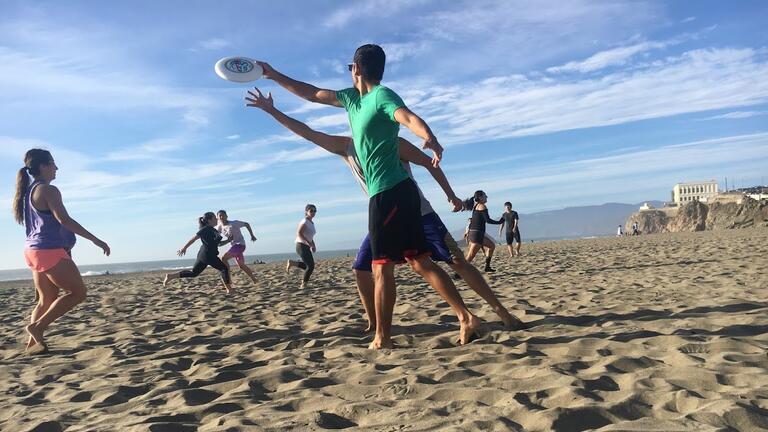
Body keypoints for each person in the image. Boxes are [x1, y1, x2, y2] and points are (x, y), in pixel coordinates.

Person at [249, 45, 482, 349]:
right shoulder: (350, 99)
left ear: (357, 68)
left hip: (389, 193)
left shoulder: (382, 97)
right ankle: (465, 317)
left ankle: (382, 337)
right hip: (398, 193)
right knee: (420, 262)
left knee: (381, 267)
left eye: (350, 67)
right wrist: (272, 76)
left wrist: (429, 137)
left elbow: (407, 117)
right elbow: (310, 94)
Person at [246, 90, 523, 331]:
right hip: (383, 217)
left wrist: (451, 196)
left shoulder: (394, 143)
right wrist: (272, 110)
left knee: (455, 262)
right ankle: (375, 324)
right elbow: (307, 132)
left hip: (419, 213)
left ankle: (502, 313)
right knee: (362, 268)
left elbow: (430, 164)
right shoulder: (345, 147)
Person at [13, 149, 111, 354]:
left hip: (32, 250)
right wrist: (96, 240)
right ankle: (37, 328)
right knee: (78, 292)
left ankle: (33, 344)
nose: (56, 168)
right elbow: (64, 220)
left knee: (45, 300)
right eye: (52, 164)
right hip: (48, 250)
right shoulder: (49, 190)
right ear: (42, 166)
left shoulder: (29, 191)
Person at [163, 212, 232, 293]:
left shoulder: (213, 230)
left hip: (204, 255)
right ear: (209, 220)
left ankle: (171, 276)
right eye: (214, 218)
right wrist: (184, 248)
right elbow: (194, 238)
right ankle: (229, 289)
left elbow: (219, 244)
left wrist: (228, 240)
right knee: (224, 269)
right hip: (208, 255)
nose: (217, 219)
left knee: (194, 273)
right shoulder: (205, 229)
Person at [464, 191, 503, 272]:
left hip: (476, 233)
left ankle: (487, 267)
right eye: (485, 196)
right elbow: (487, 220)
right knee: (470, 256)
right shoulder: (482, 206)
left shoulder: (476, 206)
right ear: (480, 197)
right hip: (477, 234)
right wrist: (499, 222)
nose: (487, 197)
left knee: (492, 246)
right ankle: (459, 273)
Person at [216, 210, 258, 284]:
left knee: (223, 258)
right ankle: (254, 279)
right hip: (234, 247)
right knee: (241, 265)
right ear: (218, 218)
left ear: (227, 216)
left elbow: (247, 224)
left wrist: (252, 235)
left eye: (223, 215)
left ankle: (228, 278)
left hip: (240, 245)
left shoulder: (234, 223)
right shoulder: (219, 227)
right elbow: (218, 242)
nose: (222, 217)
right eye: (220, 216)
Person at [286, 204, 317, 289]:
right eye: (311, 211)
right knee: (310, 267)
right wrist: (309, 243)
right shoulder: (305, 221)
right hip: (301, 245)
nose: (313, 212)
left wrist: (313, 244)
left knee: (310, 266)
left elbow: (309, 236)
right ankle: (303, 285)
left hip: (306, 245)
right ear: (306, 212)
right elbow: (299, 233)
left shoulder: (311, 223)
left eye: (315, 211)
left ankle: (292, 263)